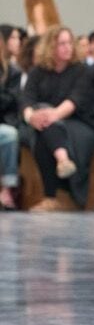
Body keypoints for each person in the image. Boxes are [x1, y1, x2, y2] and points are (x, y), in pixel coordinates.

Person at [19, 25, 94, 210]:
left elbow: (75, 100)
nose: (67, 47)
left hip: (78, 121)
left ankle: (52, 196)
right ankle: (62, 161)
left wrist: (51, 115)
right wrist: (31, 117)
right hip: (45, 124)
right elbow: (26, 99)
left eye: (69, 43)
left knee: (45, 127)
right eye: (61, 44)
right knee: (42, 130)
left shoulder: (81, 70)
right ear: (50, 47)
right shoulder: (38, 71)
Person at [0, 29, 23, 209]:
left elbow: (10, 101)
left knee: (10, 135)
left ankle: (7, 189)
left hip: (3, 122)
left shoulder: (12, 72)